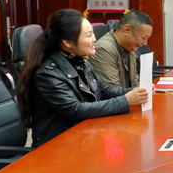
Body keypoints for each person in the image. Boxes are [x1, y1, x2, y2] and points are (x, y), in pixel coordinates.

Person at [18, 9, 148, 147]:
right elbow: (76, 110)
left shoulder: (80, 61)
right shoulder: (47, 73)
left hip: (83, 136)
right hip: (56, 146)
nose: (94, 39)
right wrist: (125, 100)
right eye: (88, 35)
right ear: (68, 43)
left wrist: (136, 91)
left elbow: (104, 90)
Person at [89, 9, 153, 88]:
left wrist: (143, 88)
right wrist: (137, 90)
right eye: (143, 38)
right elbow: (112, 90)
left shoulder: (129, 47)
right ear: (127, 30)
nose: (145, 43)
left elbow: (134, 83)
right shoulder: (104, 49)